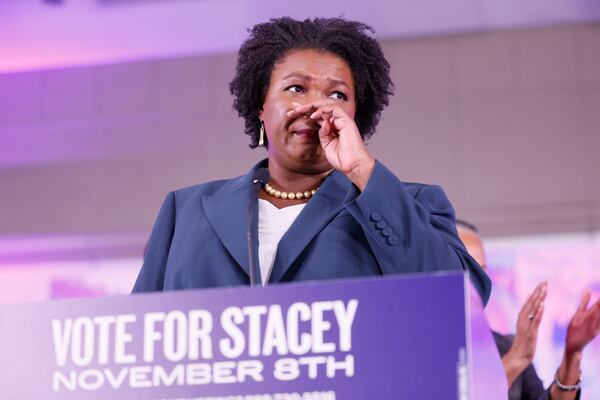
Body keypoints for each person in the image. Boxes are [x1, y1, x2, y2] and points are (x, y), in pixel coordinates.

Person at [132, 17, 491, 305]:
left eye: (337, 94)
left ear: (356, 114)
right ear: (260, 104)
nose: (316, 107)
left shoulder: (412, 204)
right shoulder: (185, 211)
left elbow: (465, 301)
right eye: (296, 88)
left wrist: (362, 169)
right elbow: (139, 335)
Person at [457, 220, 600, 400]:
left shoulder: (505, 346)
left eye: (482, 272)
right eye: (469, 271)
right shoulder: (426, 347)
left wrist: (573, 354)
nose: (477, 283)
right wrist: (516, 359)